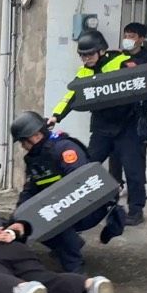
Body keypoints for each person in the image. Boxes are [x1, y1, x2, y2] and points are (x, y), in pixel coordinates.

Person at [48, 29, 147, 226]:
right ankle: (82, 207)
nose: (86, 59)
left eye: (90, 54)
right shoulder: (84, 72)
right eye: (82, 55)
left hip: (127, 126)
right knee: (86, 167)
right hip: (102, 128)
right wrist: (55, 116)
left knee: (133, 170)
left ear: (101, 51)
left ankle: (136, 211)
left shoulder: (120, 61)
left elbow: (142, 81)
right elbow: (71, 97)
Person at [12, 111, 126, 273]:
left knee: (52, 221)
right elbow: (30, 189)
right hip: (62, 204)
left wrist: (54, 206)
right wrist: (19, 216)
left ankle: (75, 269)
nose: (23, 146)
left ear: (36, 135)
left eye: (24, 141)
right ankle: (70, 245)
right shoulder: (35, 158)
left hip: (90, 205)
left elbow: (80, 184)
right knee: (30, 222)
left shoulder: (64, 149)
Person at [111, 22, 147, 200]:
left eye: (131, 36)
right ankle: (117, 184)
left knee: (139, 150)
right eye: (126, 36)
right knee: (115, 150)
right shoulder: (117, 56)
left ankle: (140, 185)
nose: (127, 39)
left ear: (141, 39)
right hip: (119, 111)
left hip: (139, 111)